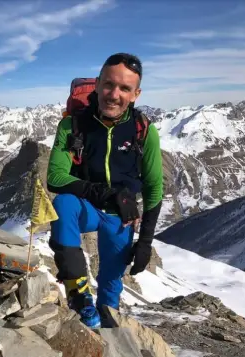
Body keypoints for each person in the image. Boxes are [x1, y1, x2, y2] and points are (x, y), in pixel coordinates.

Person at [46, 52, 163, 329]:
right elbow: (55, 177)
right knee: (64, 204)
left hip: (120, 218)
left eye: (124, 88)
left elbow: (154, 187)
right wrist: (109, 194)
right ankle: (80, 298)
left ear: (135, 94)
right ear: (97, 85)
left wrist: (145, 241)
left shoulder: (143, 131)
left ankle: (107, 322)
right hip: (88, 207)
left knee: (111, 281)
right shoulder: (73, 125)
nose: (114, 94)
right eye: (109, 85)